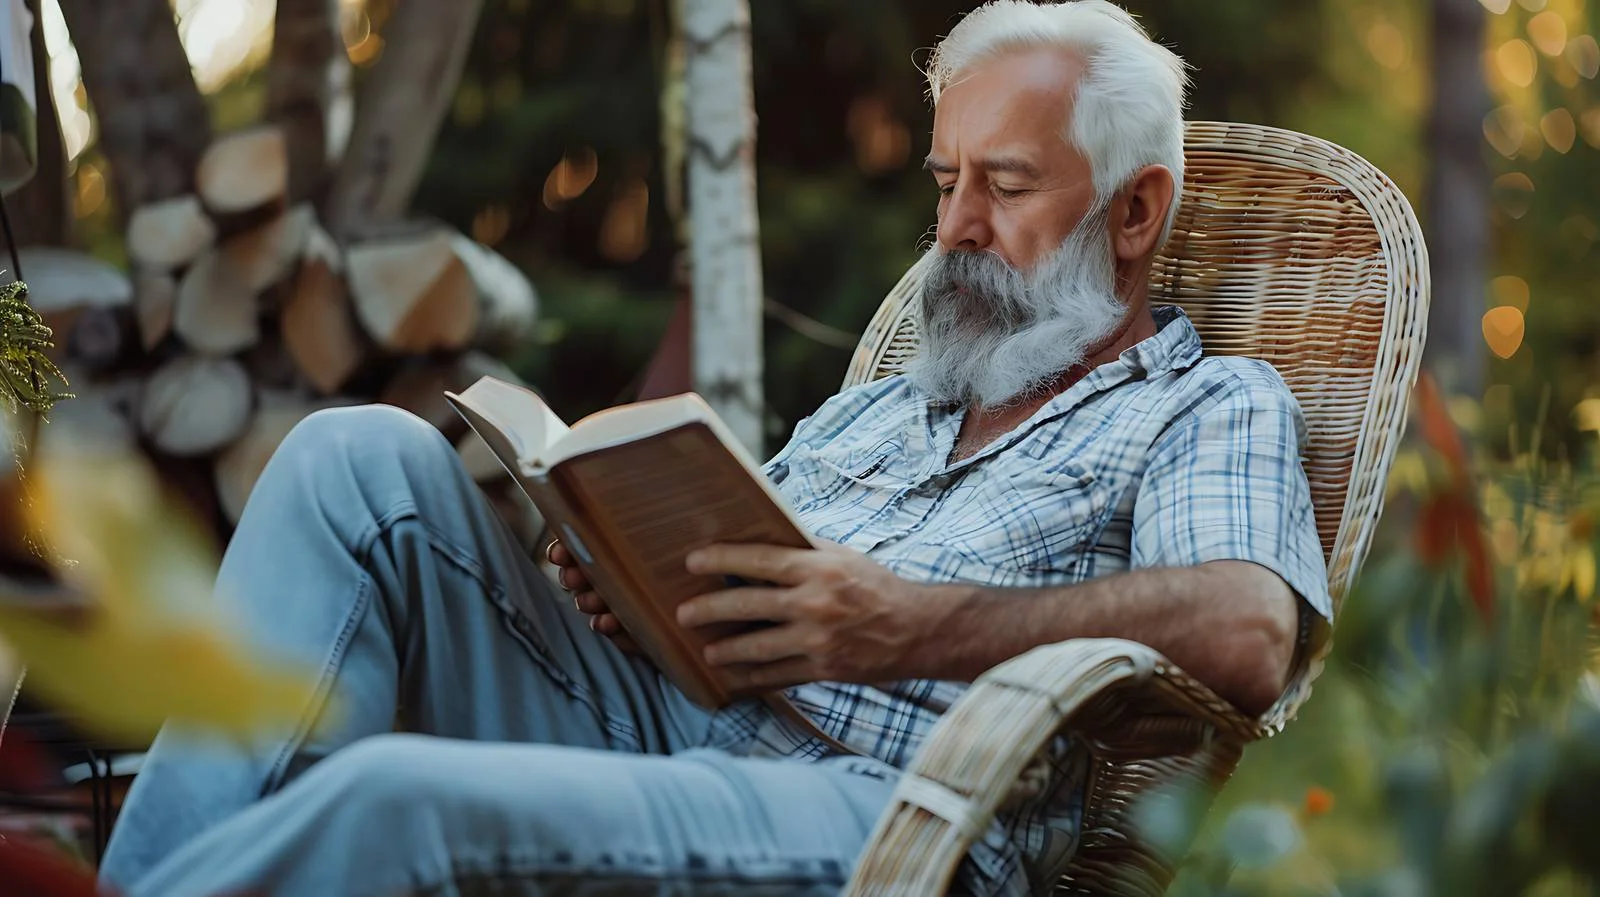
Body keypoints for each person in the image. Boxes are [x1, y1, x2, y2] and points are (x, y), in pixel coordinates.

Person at [100, 1, 1330, 895]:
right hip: (658, 721)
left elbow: (1247, 632)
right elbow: (737, 588)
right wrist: (625, 578)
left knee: (388, 800)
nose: (955, 226)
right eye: (944, 180)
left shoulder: (1205, 404)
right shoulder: (886, 405)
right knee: (354, 459)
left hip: (883, 815)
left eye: (1004, 186)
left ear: (1134, 208)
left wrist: (907, 625)